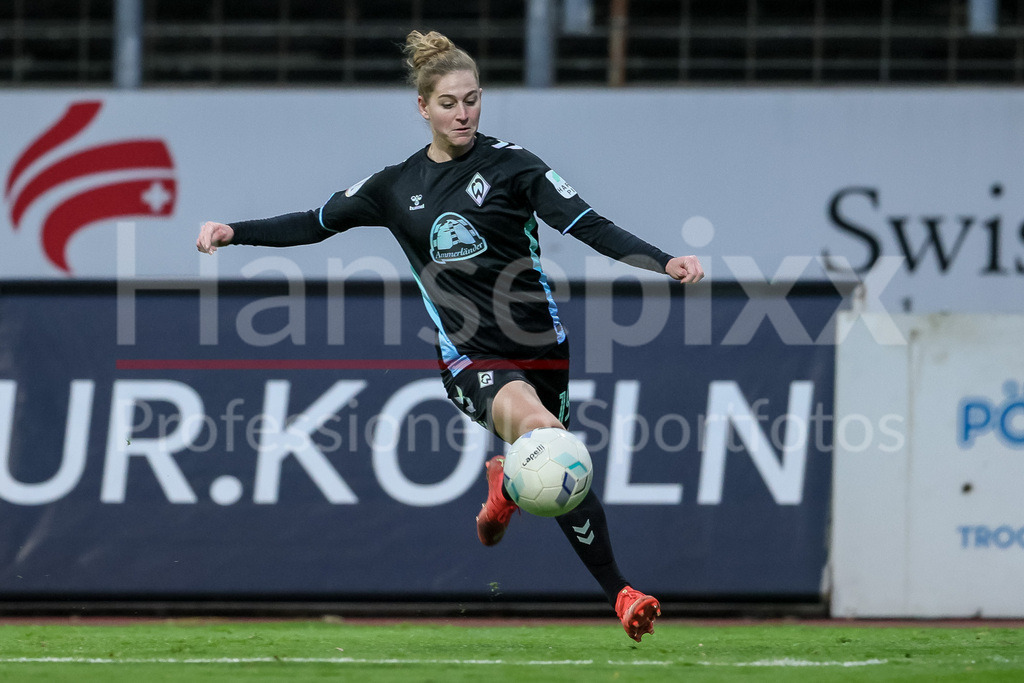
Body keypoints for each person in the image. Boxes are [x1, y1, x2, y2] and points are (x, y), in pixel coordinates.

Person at [196, 30, 704, 642]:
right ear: (422, 107)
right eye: (448, 103)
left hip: (544, 349)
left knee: (561, 464)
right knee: (547, 437)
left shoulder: (515, 166)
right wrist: (234, 231)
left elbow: (589, 225)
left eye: (472, 99)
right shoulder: (394, 187)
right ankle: (621, 593)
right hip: (470, 357)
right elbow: (314, 222)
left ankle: (508, 485)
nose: (463, 113)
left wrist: (663, 261)